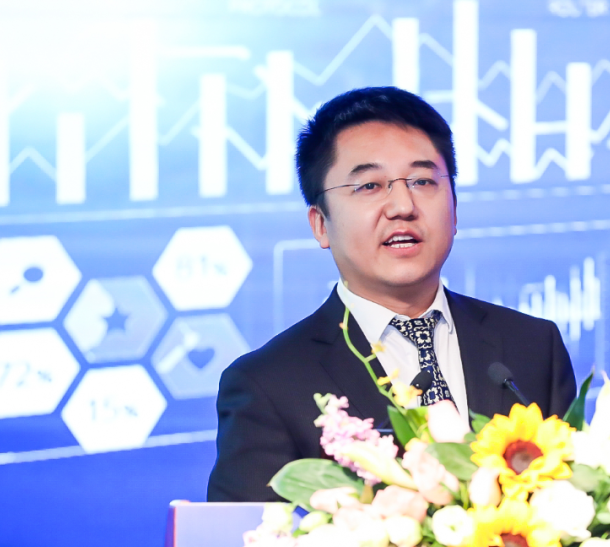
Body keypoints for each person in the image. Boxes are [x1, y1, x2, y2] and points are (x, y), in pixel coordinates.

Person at [207, 87, 576, 502]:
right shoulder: (268, 385)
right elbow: (250, 539)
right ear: (321, 224)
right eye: (369, 186)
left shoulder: (533, 347)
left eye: (423, 181)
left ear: (455, 207)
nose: (403, 205)